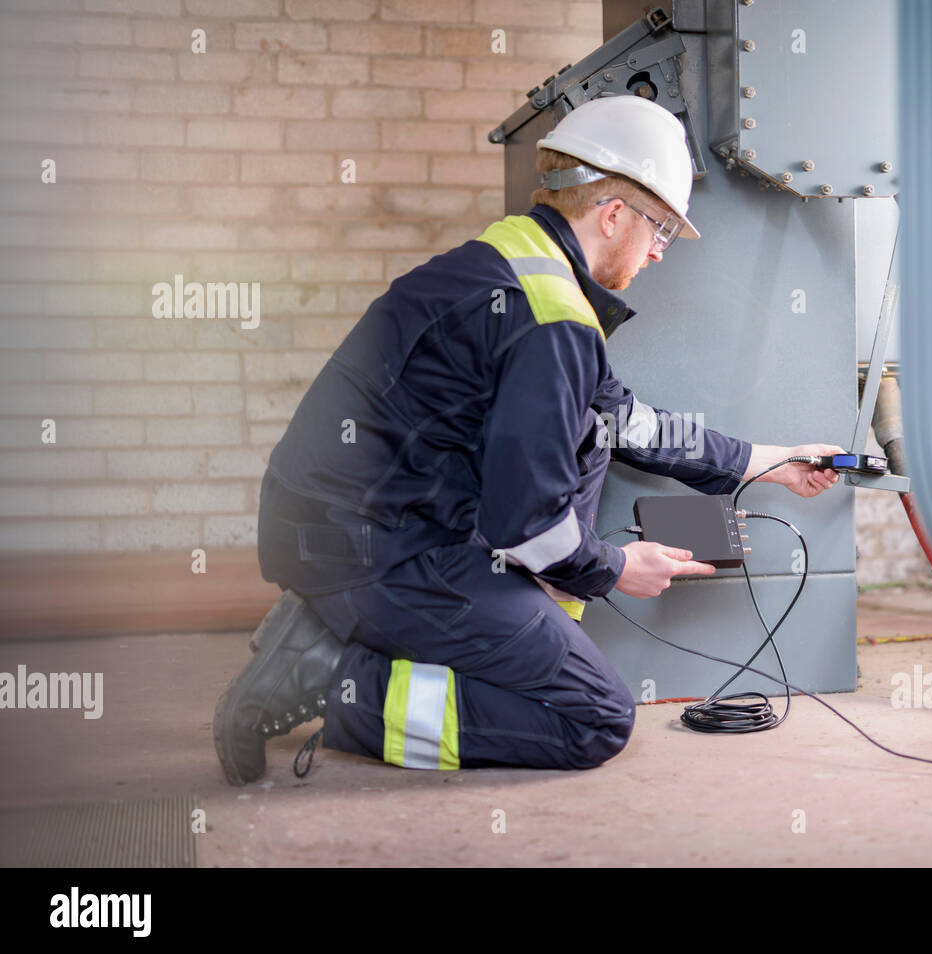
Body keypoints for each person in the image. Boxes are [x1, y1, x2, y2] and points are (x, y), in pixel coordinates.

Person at [214, 95, 844, 784]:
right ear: (612, 215)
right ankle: (339, 676)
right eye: (660, 226)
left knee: (590, 445)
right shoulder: (554, 324)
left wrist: (773, 462)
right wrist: (615, 567)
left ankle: (362, 630)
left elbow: (629, 423)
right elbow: (526, 526)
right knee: (595, 717)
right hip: (382, 553)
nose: (661, 250)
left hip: (343, 527)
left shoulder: (515, 262)